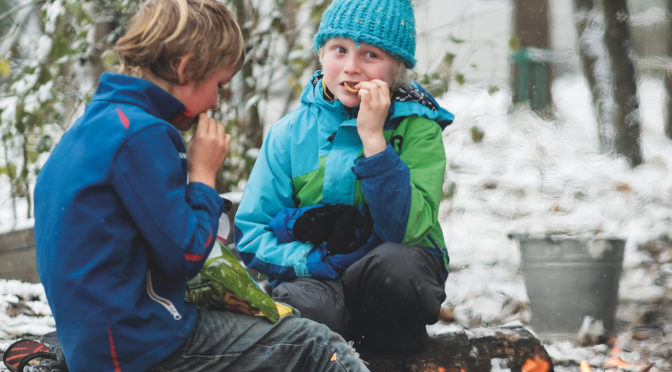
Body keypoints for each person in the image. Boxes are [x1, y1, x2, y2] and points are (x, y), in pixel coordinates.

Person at [33, 1, 369, 371]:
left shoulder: (96, 125)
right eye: (218, 85)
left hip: (97, 343)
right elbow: (187, 256)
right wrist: (203, 176)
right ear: (186, 68)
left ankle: (54, 355)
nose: (215, 101)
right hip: (141, 345)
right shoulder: (145, 135)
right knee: (316, 345)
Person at [234, 0, 454, 352]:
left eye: (371, 55)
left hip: (390, 272)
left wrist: (374, 141)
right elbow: (252, 233)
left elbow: (406, 230)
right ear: (321, 55)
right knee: (310, 311)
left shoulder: (418, 129)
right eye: (340, 50)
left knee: (395, 270)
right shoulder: (289, 133)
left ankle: (394, 357)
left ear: (396, 68)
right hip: (314, 275)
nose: (352, 68)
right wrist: (309, 262)